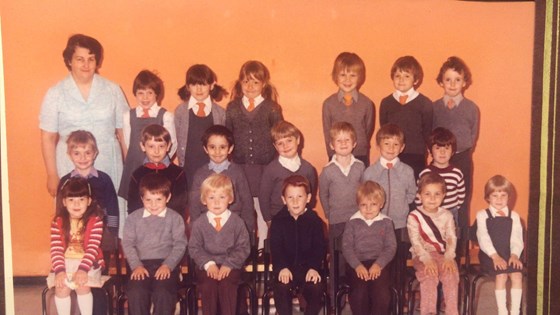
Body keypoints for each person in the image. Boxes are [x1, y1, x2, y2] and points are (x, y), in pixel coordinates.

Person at [39, 34, 129, 204]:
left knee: (110, 216)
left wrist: (128, 169)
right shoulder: (55, 93)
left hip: (108, 162)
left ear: (97, 61)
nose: (86, 65)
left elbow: (123, 132)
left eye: (91, 59)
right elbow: (47, 137)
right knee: (74, 218)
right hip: (70, 164)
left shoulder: (113, 90)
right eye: (80, 59)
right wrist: (52, 174)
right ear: (69, 61)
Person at [226, 60, 284, 247]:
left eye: (255, 82)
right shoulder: (232, 107)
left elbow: (279, 135)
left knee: (262, 209)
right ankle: (245, 248)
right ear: (240, 83)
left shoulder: (271, 108)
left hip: (264, 168)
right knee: (243, 209)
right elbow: (227, 136)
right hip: (240, 168)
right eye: (245, 82)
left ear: (264, 84)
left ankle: (262, 249)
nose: (250, 86)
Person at [361, 123, 416, 298]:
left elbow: (411, 194)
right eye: (386, 143)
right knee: (382, 263)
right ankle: (382, 298)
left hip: (399, 224)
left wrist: (401, 208)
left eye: (395, 144)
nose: (391, 148)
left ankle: (399, 297)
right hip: (378, 224)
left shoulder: (407, 171)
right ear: (378, 146)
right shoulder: (370, 172)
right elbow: (366, 195)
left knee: (399, 263)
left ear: (402, 147)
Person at [122, 173, 188, 315]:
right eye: (148, 200)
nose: (153, 205)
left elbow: (180, 245)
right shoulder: (133, 219)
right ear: (141, 199)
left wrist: (168, 265)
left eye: (158, 199)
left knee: (163, 291)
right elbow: (128, 244)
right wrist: (136, 266)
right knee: (136, 291)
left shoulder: (175, 218)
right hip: (140, 265)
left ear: (168, 197)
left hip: (166, 264)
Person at [188, 173, 250, 315]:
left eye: (222, 197)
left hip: (231, 266)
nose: (216, 203)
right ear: (204, 200)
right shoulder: (199, 223)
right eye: (211, 198)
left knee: (227, 284)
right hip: (206, 267)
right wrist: (208, 264)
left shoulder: (237, 222)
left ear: (230, 199)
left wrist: (229, 264)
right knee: (208, 285)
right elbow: (194, 247)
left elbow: (243, 247)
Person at [318, 121, 365, 306]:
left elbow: (365, 193)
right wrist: (330, 214)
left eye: (347, 140)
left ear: (354, 143)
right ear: (332, 145)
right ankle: (335, 299)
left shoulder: (360, 167)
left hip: (356, 221)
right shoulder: (327, 171)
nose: (343, 143)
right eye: (339, 140)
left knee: (354, 259)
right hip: (337, 221)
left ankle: (356, 298)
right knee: (337, 262)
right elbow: (323, 194)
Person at [433, 56, 480, 231]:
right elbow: (431, 134)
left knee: (461, 202)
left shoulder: (471, 108)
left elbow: (472, 135)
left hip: (462, 159)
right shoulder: (435, 107)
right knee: (437, 198)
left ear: (465, 83)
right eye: (448, 80)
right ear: (441, 83)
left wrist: (462, 152)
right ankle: (438, 244)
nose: (452, 84)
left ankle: (459, 251)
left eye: (457, 80)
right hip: (439, 161)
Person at [270, 175, 327, 315]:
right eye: (290, 197)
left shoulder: (315, 222)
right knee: (281, 287)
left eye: (300, 197)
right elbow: (276, 248)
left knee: (316, 287)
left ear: (308, 198)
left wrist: (314, 267)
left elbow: (319, 248)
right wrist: (282, 267)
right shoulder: (278, 221)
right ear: (284, 199)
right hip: (285, 269)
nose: (295, 201)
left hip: (308, 269)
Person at [47, 177, 105, 315]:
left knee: (82, 285)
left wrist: (83, 270)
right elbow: (56, 250)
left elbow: (92, 248)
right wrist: (60, 271)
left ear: (89, 201)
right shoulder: (58, 222)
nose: (76, 204)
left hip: (89, 262)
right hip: (64, 263)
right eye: (71, 200)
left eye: (81, 199)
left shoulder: (95, 221)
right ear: (64, 202)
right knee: (61, 287)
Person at [56, 130, 119, 256]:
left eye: (87, 153)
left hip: (100, 231)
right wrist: (61, 229)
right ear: (69, 155)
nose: (83, 158)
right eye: (77, 153)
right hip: (73, 233)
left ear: (95, 153)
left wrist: (112, 231)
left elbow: (112, 206)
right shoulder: (65, 181)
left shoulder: (104, 179)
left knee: (100, 268)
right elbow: (60, 207)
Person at [119, 70, 177, 200]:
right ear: (135, 94)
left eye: (149, 93)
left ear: (156, 94)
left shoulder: (165, 116)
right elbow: (129, 143)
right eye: (141, 93)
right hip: (134, 165)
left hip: (156, 169)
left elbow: (172, 144)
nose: (145, 98)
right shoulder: (128, 116)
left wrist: (159, 160)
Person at [407, 172, 459, 315]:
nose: (432, 198)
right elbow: (416, 242)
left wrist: (449, 257)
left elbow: (451, 238)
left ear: (443, 195)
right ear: (419, 195)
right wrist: (427, 259)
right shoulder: (414, 217)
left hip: (444, 255)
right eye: (427, 194)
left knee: (451, 275)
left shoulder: (447, 215)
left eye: (437, 194)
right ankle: (428, 312)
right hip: (422, 255)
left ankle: (452, 312)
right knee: (429, 277)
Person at [342, 181, 397, 315]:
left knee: (381, 294)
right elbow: (347, 247)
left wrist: (379, 264)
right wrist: (357, 266)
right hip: (357, 264)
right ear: (358, 205)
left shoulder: (387, 222)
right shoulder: (352, 222)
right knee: (359, 294)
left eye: (373, 204)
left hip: (379, 264)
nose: (368, 208)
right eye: (364, 205)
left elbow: (391, 247)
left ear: (381, 204)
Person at [189, 125, 254, 231]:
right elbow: (194, 205)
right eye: (212, 147)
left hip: (233, 225)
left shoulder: (237, 172)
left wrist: (248, 230)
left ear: (230, 148)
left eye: (222, 147)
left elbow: (247, 202)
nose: (217, 152)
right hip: (207, 225)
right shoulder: (200, 174)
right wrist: (195, 230)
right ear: (205, 149)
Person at [476, 175, 523, 315]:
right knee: (501, 275)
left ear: (509, 197)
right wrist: (495, 256)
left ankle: (515, 311)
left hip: (509, 254)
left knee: (517, 275)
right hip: (489, 255)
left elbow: (517, 238)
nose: (499, 199)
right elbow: (483, 238)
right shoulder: (482, 215)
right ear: (488, 197)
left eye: (503, 195)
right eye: (495, 195)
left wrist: (514, 255)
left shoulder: (514, 216)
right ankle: (502, 311)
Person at [174, 64, 228, 188]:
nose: (199, 89)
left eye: (203, 84)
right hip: (189, 166)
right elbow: (176, 139)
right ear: (188, 87)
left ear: (212, 85)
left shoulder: (220, 113)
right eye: (194, 84)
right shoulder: (180, 111)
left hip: (213, 166)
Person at [379, 56, 433, 179]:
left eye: (407, 76)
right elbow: (384, 130)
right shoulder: (386, 102)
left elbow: (427, 131)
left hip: (416, 155)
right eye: (398, 76)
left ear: (416, 80)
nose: (401, 80)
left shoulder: (425, 103)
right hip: (392, 155)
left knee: (413, 189)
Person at [259, 121, 318, 224]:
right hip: (278, 218)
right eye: (280, 143)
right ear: (275, 146)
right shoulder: (271, 169)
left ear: (298, 140)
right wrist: (268, 219)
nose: (285, 146)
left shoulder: (308, 168)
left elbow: (310, 194)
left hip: (302, 216)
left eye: (289, 141)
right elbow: (264, 197)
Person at [322, 52, 375, 166]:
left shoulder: (367, 103)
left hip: (360, 155)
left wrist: (362, 148)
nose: (347, 80)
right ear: (335, 76)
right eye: (343, 75)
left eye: (352, 75)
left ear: (360, 77)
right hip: (337, 156)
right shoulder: (328, 104)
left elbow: (368, 130)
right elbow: (327, 133)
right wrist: (332, 156)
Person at [126, 124, 187, 217]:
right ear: (143, 146)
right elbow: (133, 206)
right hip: (143, 224)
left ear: (168, 146)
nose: (156, 151)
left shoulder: (178, 173)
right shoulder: (137, 174)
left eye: (161, 146)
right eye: (151, 146)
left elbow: (180, 205)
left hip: (169, 224)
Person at [417, 127, 465, 226]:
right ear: (430, 151)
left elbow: (461, 194)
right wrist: (423, 210)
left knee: (450, 238)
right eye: (438, 148)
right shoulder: (425, 173)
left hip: (451, 212)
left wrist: (454, 207)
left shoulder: (457, 173)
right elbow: (418, 195)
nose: (442, 152)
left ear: (452, 151)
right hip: (429, 212)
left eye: (446, 148)